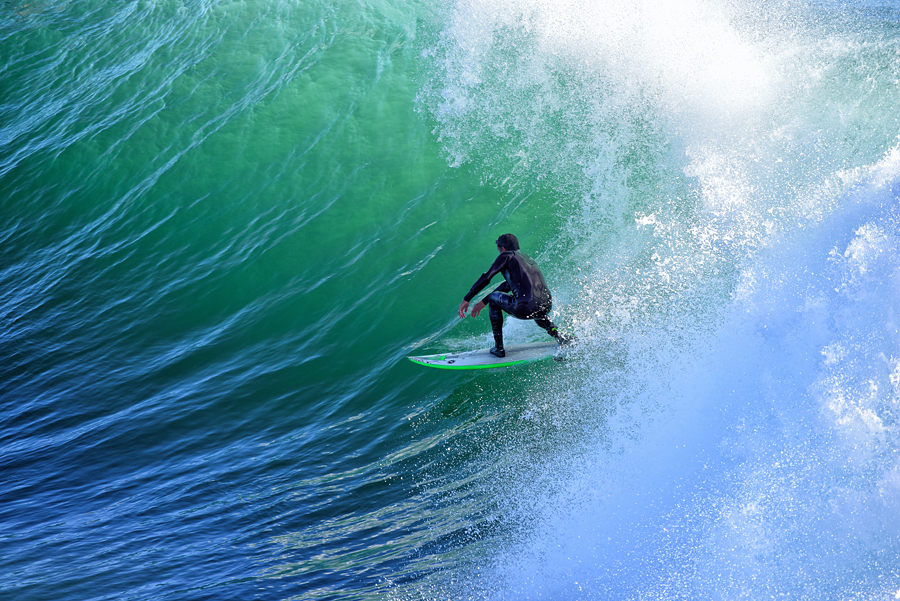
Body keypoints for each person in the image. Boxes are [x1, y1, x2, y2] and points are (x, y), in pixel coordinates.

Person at [458, 233, 568, 357]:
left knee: (494, 298)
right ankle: (560, 336)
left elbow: (486, 277)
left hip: (526, 307)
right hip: (546, 305)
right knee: (537, 310)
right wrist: (483, 302)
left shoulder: (507, 255)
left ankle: (498, 348)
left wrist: (467, 298)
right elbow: (508, 285)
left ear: (502, 249)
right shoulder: (527, 259)